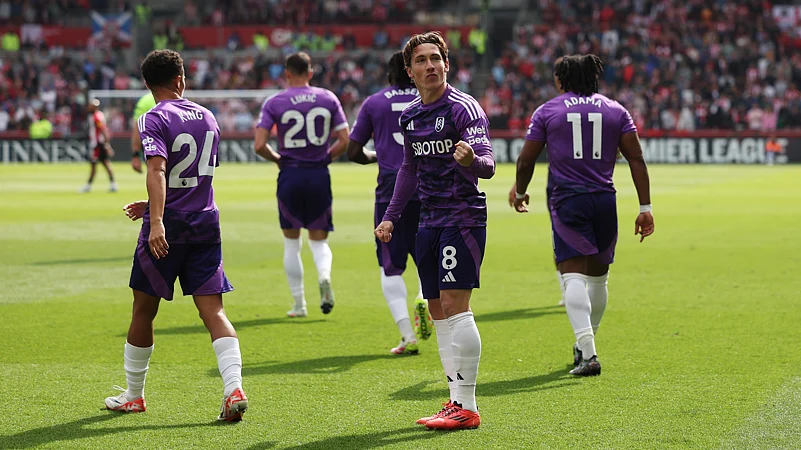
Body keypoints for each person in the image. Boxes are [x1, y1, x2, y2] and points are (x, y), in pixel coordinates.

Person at [104, 49, 248, 422]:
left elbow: (159, 169)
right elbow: (195, 177)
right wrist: (152, 202)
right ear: (180, 79)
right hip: (206, 221)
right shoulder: (208, 116)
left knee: (144, 309)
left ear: (147, 84)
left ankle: (134, 395)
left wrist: (155, 220)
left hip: (169, 226)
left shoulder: (152, 117)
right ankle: (234, 388)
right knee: (213, 310)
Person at [374, 31, 495, 430]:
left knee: (455, 304)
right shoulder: (409, 115)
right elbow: (409, 168)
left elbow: (489, 166)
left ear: (447, 64)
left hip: (462, 218)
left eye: (436, 58)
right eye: (422, 61)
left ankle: (469, 405)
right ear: (409, 71)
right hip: (428, 220)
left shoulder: (464, 108)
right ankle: (455, 398)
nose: (430, 66)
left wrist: (472, 159)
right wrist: (391, 215)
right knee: (439, 310)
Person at [512, 54, 654, 377]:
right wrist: (645, 208)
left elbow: (525, 160)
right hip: (605, 199)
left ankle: (588, 352)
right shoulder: (617, 110)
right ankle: (586, 343)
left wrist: (520, 192)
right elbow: (636, 159)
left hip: (568, 201)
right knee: (599, 278)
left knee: (572, 275)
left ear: (561, 80)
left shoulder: (547, 110)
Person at [347, 51, 433, 355]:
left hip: (390, 189)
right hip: (428, 186)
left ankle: (408, 336)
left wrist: (376, 156)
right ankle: (424, 298)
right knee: (429, 257)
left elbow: (352, 149)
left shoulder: (375, 102)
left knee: (390, 267)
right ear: (413, 71)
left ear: (389, 74)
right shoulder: (431, 98)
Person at [254, 52, 350, 318]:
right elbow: (345, 139)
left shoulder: (275, 101)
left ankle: (299, 304)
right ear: (310, 72)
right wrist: (324, 158)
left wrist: (278, 160)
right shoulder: (328, 98)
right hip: (319, 175)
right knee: (319, 241)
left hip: (290, 176)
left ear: (286, 73)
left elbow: (259, 145)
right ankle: (324, 276)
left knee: (291, 244)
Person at [80, 99, 117, 193]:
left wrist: (106, 144)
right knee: (102, 163)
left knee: (99, 164)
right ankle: (112, 184)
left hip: (98, 144)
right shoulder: (96, 115)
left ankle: (89, 186)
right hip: (97, 144)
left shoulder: (96, 117)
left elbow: (103, 130)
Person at [131, 92, 157, 173]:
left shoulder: (145, 100)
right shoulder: (178, 99)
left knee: (156, 175)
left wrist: (135, 154)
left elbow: (137, 127)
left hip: (153, 146)